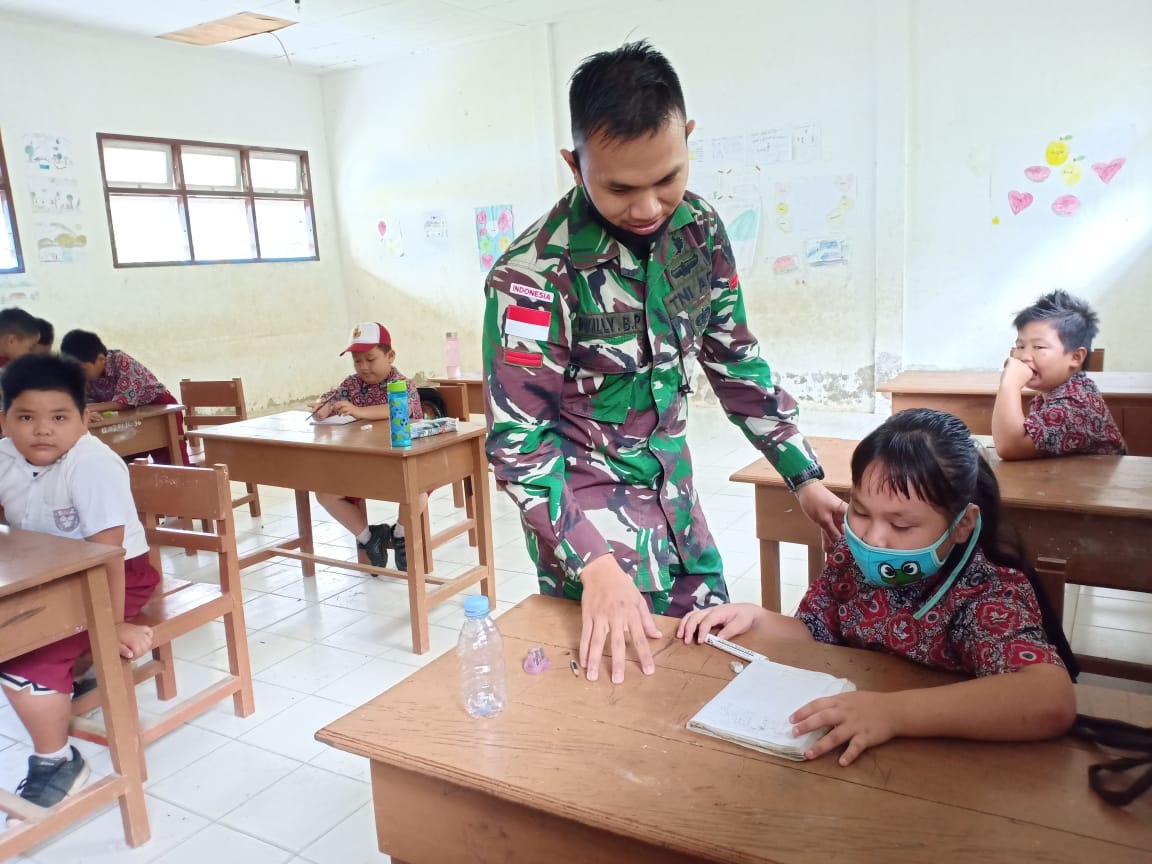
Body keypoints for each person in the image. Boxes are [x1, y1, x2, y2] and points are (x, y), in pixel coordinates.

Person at [482, 41, 846, 684]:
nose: (649, 207)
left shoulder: (699, 229)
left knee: (716, 671)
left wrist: (804, 475)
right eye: (620, 187)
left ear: (689, 141)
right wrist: (591, 566)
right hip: (590, 530)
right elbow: (519, 446)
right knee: (618, 695)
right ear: (575, 164)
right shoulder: (533, 277)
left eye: (667, 178)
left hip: (681, 509)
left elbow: (734, 358)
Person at [678, 408, 1078, 766]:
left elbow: (1050, 699)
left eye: (901, 525)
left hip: (943, 766)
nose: (874, 538)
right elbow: (815, 632)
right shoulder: (851, 559)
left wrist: (893, 713)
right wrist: (757, 618)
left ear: (962, 526)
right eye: (862, 512)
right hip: (851, 751)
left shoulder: (985, 592)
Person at [0, 354, 159, 809]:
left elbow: (107, 553)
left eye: (59, 417)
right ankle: (75, 672)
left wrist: (109, 627)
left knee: (26, 650)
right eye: (26, 417)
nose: (42, 429)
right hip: (47, 576)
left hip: (117, 576)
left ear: (85, 419)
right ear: (5, 419)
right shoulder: (4, 455)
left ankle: (57, 761)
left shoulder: (91, 464)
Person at [308, 321, 424, 571]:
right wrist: (322, 409)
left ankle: (400, 534)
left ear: (390, 356)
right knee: (324, 493)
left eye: (370, 359)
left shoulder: (402, 383)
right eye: (357, 361)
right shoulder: (351, 385)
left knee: (418, 491)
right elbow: (330, 400)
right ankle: (370, 538)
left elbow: (400, 409)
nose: (363, 367)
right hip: (359, 464)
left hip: (400, 464)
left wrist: (359, 411)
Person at [992, 289, 1126, 459]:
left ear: (1076, 357)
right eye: (1020, 346)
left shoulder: (1076, 403)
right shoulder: (1054, 393)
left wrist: (1010, 384)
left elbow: (1009, 448)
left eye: (1039, 347)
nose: (1024, 357)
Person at [58, 328, 189, 465]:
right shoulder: (79, 374)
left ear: (101, 359)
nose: (79, 374)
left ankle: (188, 484)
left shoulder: (120, 361)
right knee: (127, 460)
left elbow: (125, 402)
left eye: (82, 369)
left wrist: (85, 408)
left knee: (170, 459)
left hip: (159, 407)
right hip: (128, 416)